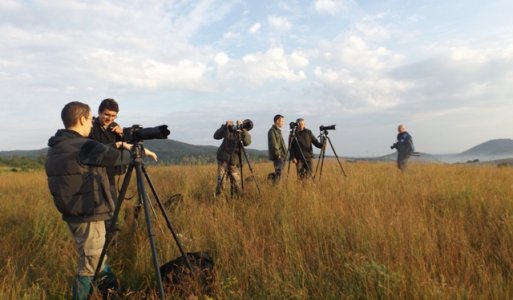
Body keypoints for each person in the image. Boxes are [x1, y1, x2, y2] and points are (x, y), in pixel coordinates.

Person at [45, 101, 157, 299]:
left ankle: (114, 292)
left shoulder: (57, 146)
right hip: (90, 215)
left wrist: (118, 143)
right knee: (88, 267)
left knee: (97, 257)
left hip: (72, 214)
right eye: (89, 120)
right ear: (81, 119)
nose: (91, 124)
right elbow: (115, 158)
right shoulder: (83, 145)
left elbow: (93, 156)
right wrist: (135, 152)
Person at [89, 98, 125, 201]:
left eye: (114, 116)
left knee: (112, 208)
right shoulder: (90, 127)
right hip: (93, 175)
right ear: (99, 113)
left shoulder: (114, 127)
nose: (110, 118)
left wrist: (121, 135)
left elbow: (124, 145)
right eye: (107, 115)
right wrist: (115, 145)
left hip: (110, 174)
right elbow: (94, 149)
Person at [213, 120, 251, 197]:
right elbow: (216, 136)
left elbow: (247, 143)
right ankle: (219, 203)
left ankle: (238, 201)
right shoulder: (227, 129)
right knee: (221, 183)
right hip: (224, 160)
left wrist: (243, 131)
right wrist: (224, 127)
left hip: (234, 162)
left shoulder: (243, 133)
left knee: (237, 184)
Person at [267, 114, 287, 183]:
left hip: (282, 156)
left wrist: (285, 154)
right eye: (282, 121)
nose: (283, 123)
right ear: (277, 121)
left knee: (280, 174)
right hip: (278, 156)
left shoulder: (278, 131)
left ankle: (273, 182)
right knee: (279, 174)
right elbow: (274, 144)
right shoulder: (272, 131)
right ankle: (276, 187)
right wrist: (278, 154)